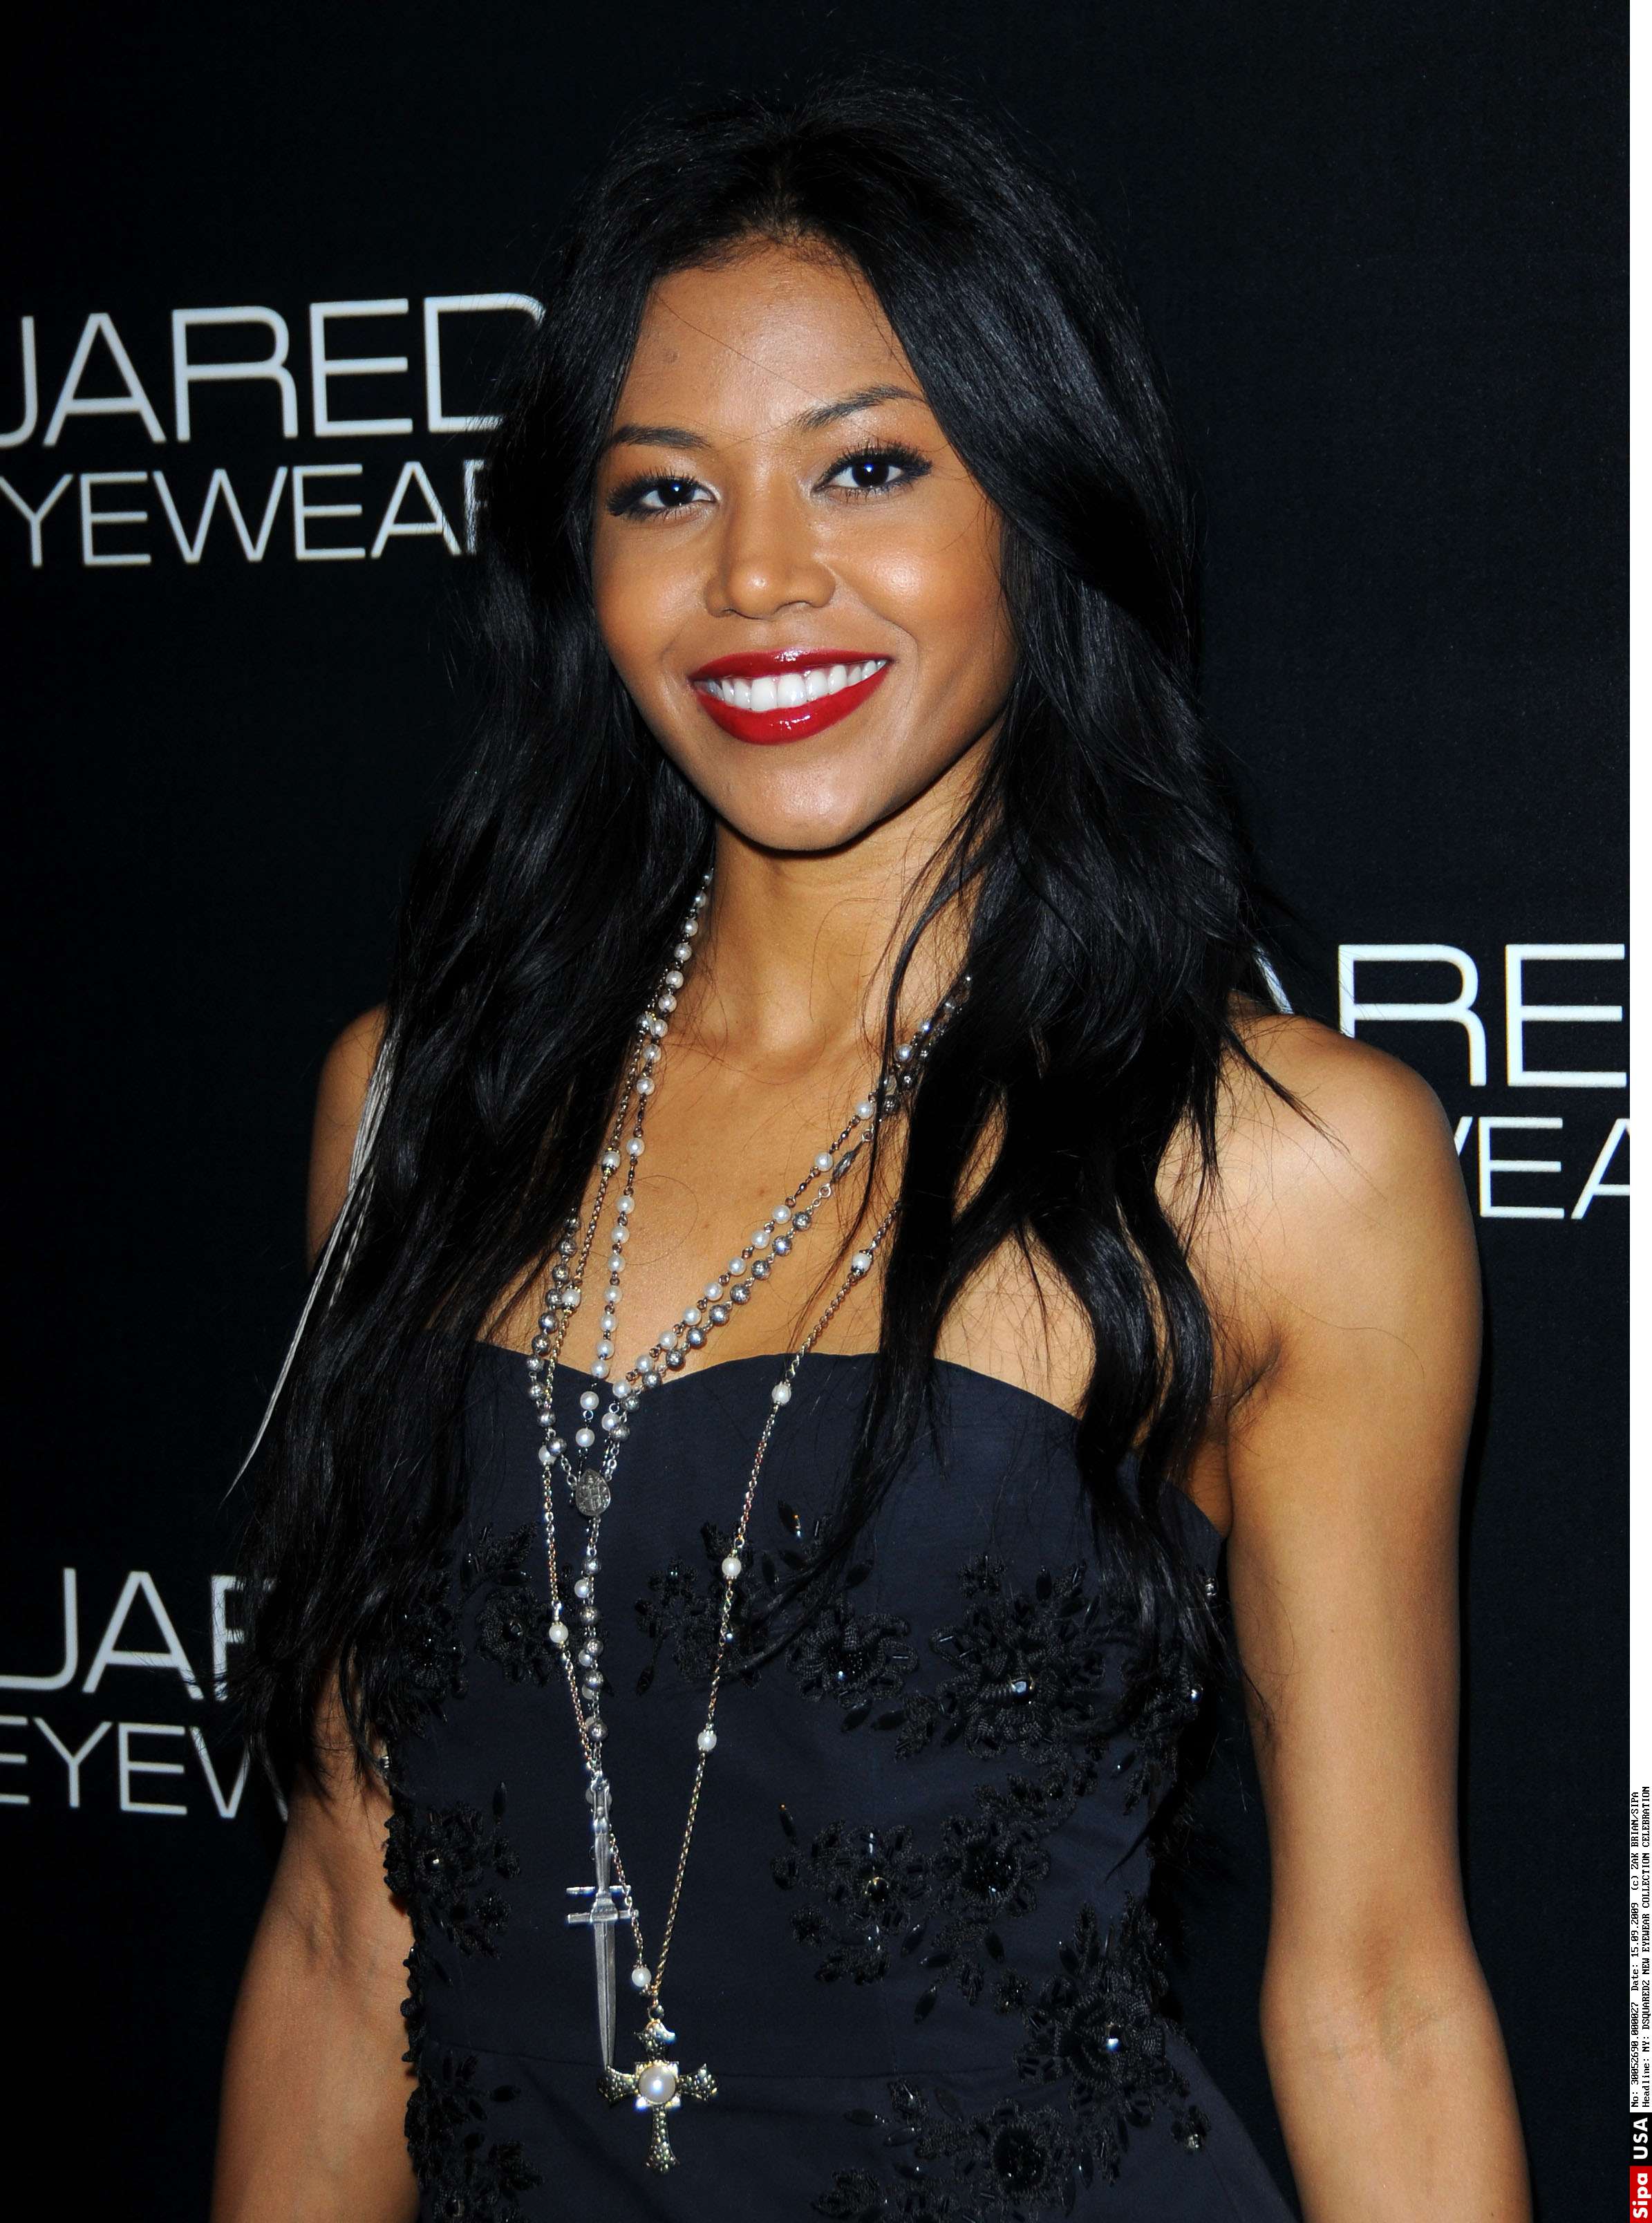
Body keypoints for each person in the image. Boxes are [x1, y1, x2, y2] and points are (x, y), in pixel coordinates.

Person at [211, 78, 1530, 2223]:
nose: (758, 577)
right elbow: (348, 1930)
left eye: (869, 467)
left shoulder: (1277, 1166)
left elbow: (1379, 1996)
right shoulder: (414, 1109)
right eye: (664, 491)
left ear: (1039, 498)